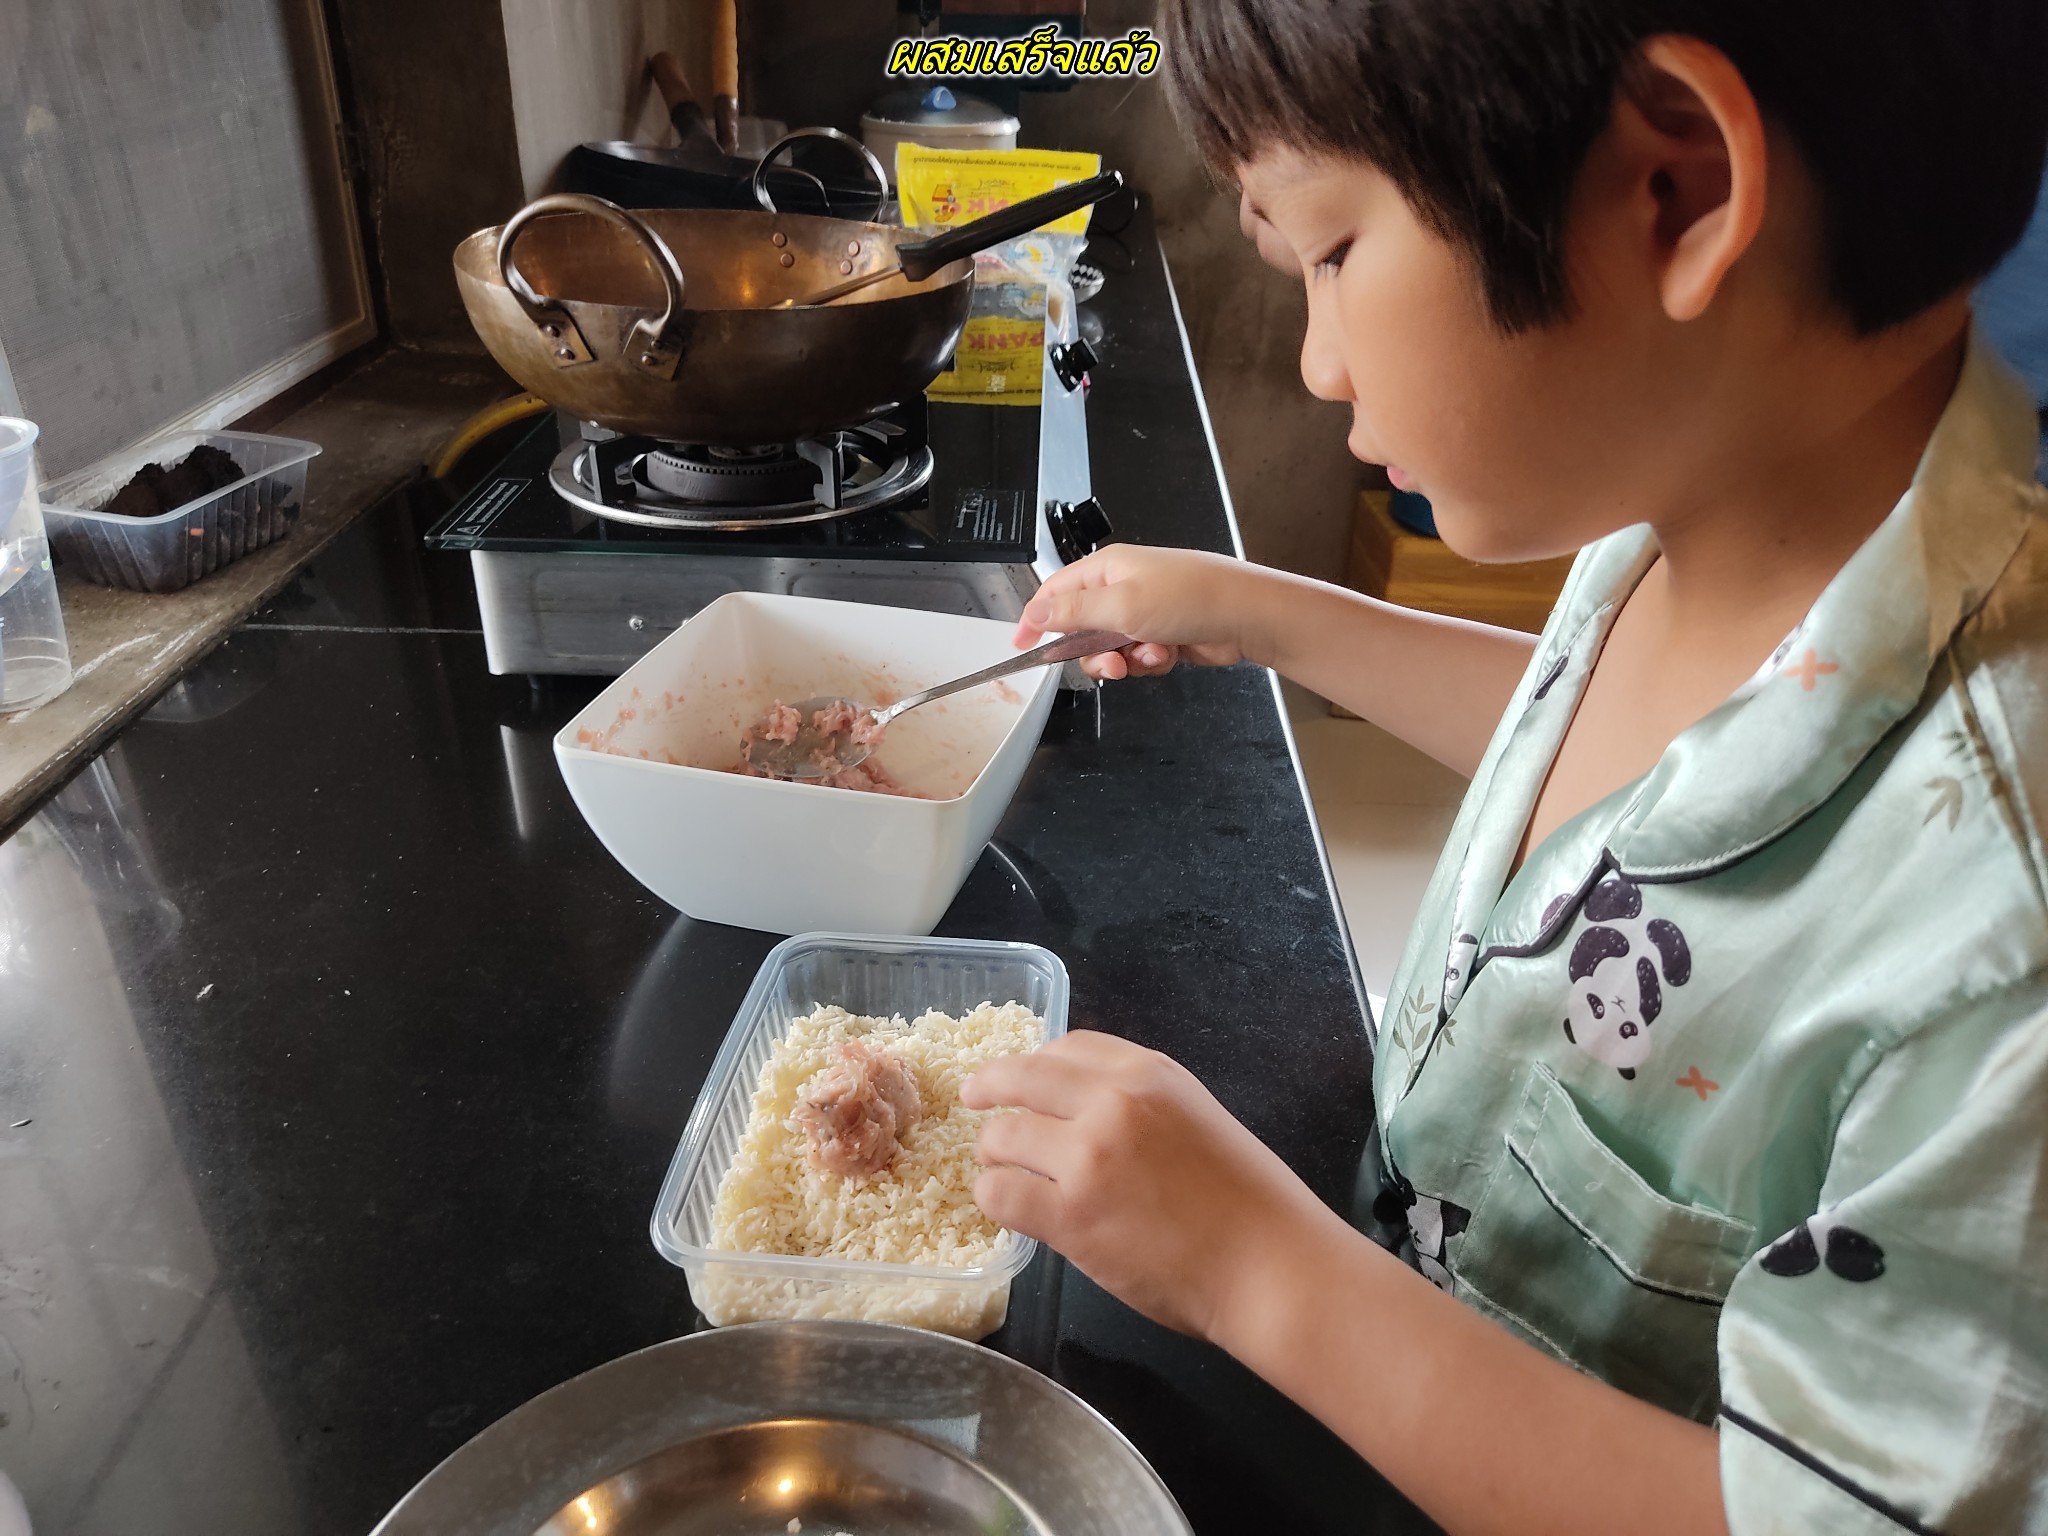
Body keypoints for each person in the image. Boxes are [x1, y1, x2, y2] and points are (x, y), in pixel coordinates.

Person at [960, 2, 2048, 1532]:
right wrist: (1262, 614)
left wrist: (1257, 1272)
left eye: (1332, 254)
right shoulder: (1710, 503)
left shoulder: (2000, 937)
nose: (1321, 365)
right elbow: (1623, 781)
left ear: (1675, 188)